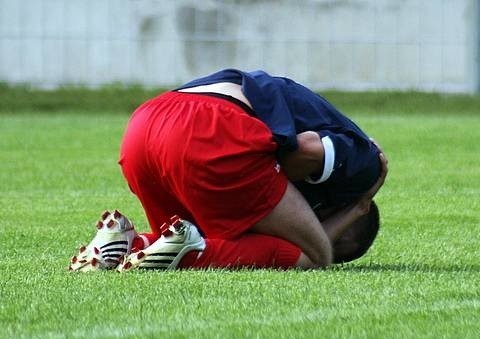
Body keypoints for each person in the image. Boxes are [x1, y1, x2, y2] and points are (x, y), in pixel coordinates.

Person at [69, 69, 388, 272]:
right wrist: (357, 208)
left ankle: (124, 244)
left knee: (194, 239)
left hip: (144, 128)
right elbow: (305, 150)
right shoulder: (367, 167)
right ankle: (150, 247)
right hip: (210, 130)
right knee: (315, 255)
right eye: (334, 229)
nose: (324, 228)